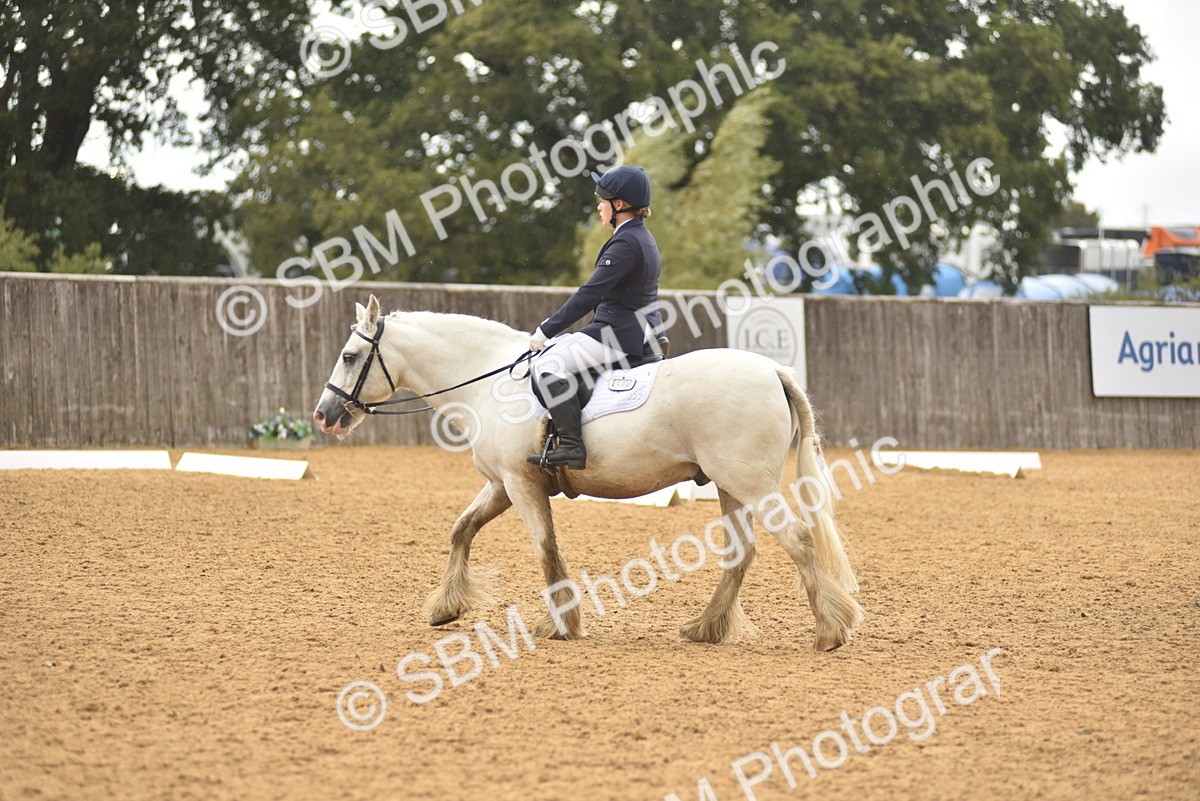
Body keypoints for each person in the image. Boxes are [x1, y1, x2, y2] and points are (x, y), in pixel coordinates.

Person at [526, 165, 663, 470]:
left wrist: (547, 329)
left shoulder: (626, 243)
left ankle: (571, 446)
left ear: (620, 205)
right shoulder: (638, 236)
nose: (599, 206)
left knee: (548, 364)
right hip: (635, 328)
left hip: (619, 333)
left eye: (603, 201)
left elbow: (589, 293)